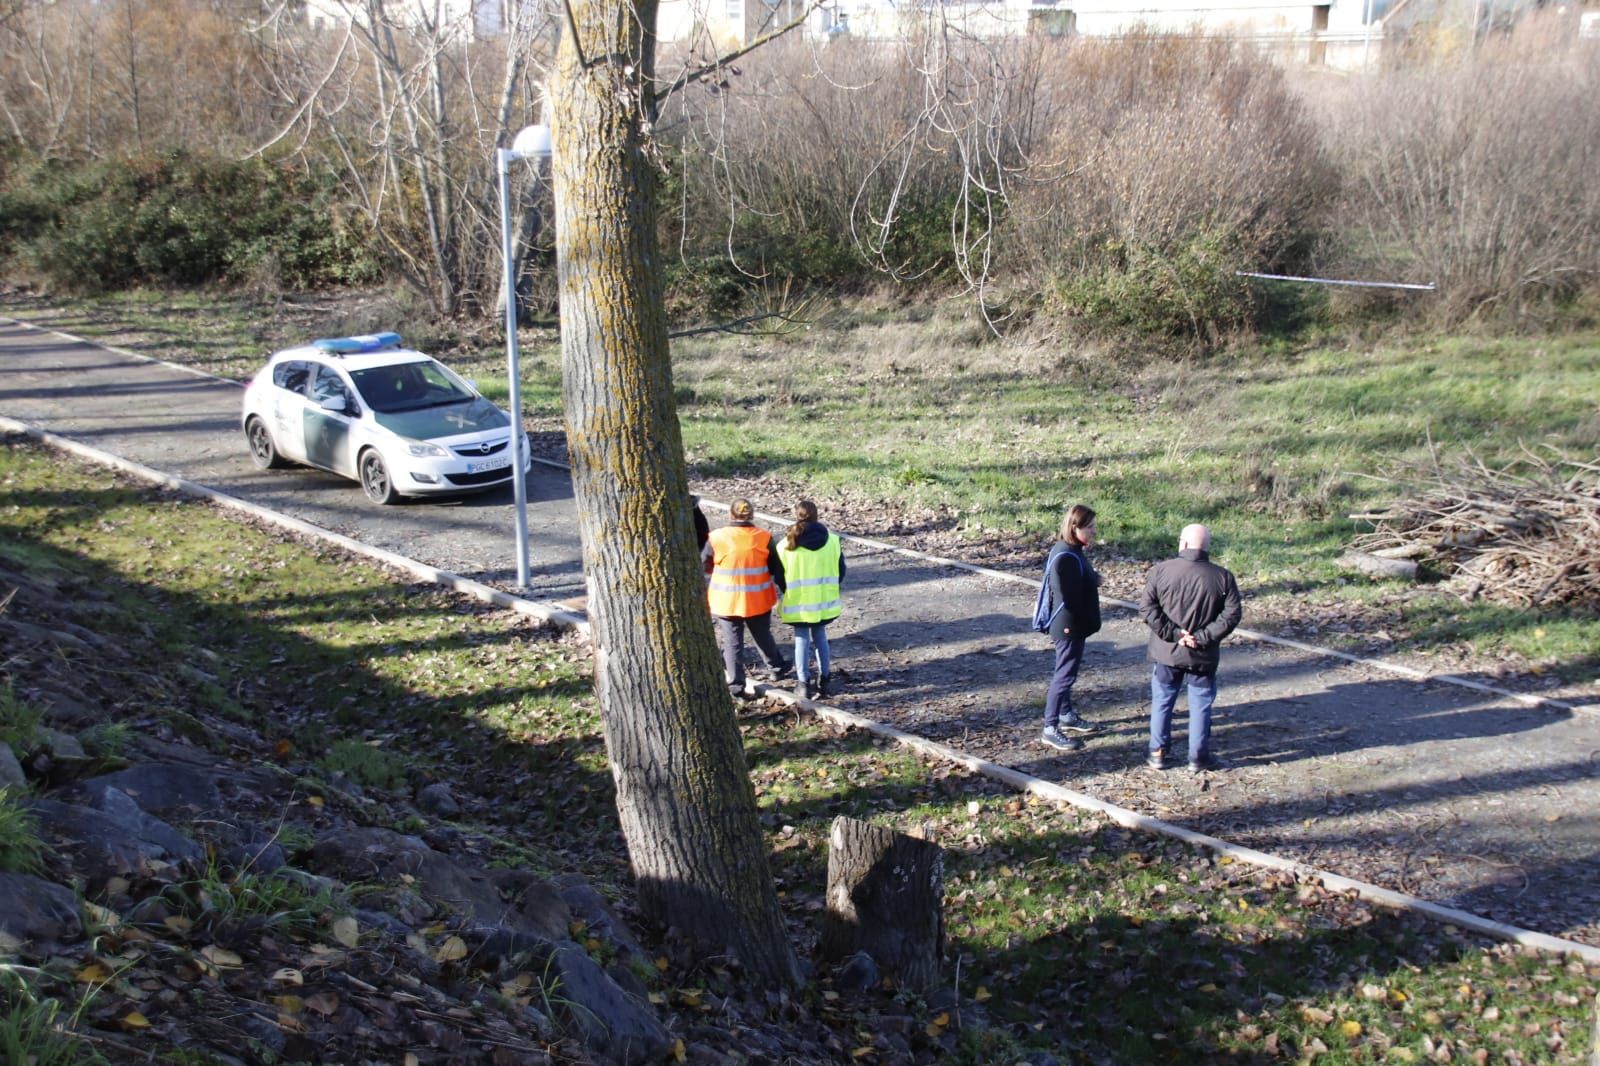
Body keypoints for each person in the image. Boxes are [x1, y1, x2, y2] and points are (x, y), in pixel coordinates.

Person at [1140, 523, 1243, 772]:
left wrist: (1174, 634)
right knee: (1200, 704)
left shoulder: (1161, 571)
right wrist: (1203, 636)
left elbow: (1147, 608)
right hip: (1202, 655)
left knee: (1163, 700)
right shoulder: (1223, 577)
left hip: (1167, 651)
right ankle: (1197, 757)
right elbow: (1231, 615)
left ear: (1183, 543)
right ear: (1207, 546)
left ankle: (1158, 752)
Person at [704, 498, 791, 695]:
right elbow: (776, 569)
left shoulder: (716, 537)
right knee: (762, 634)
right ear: (752, 515)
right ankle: (776, 668)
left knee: (732, 643)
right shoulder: (763, 537)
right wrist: (787, 591)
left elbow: (705, 564)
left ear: (730, 515)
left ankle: (736, 687)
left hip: (725, 602)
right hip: (757, 600)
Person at [1040, 504, 1103, 751]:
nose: (1094, 531)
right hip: (1068, 626)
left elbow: (1079, 581)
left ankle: (1066, 715)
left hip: (1074, 625)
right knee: (1064, 676)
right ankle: (1050, 727)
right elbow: (1068, 597)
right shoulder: (1066, 555)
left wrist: (1093, 579)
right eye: (1090, 527)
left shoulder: (1073, 550)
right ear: (1074, 528)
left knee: (1067, 672)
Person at [777, 500, 846, 700]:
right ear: (817, 515)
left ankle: (803, 683)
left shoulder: (785, 545)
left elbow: (779, 576)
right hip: (825, 601)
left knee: (801, 640)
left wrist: (787, 591)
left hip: (799, 602)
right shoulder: (833, 541)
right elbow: (841, 570)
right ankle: (825, 680)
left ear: (796, 515)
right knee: (821, 637)